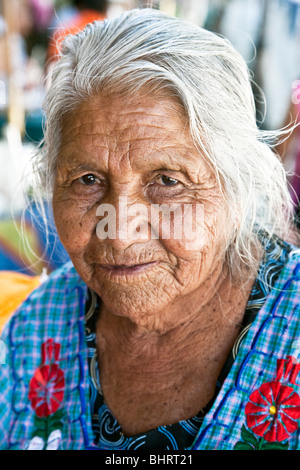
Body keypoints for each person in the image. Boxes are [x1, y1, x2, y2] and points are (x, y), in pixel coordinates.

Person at [1, 8, 300, 451]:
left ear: (235, 187)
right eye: (87, 180)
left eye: (167, 181)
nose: (119, 234)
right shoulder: (32, 332)